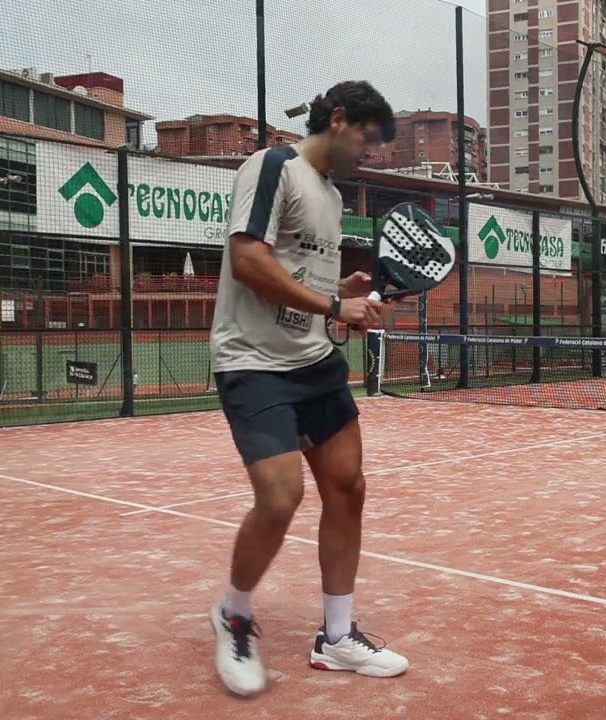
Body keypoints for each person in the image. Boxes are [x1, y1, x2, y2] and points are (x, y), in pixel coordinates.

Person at [207, 80, 408, 697]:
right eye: (370, 141)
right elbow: (248, 259)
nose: (372, 154)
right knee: (279, 497)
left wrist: (337, 295)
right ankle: (235, 614)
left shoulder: (331, 194)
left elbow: (299, 278)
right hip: (252, 362)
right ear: (340, 120)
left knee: (347, 486)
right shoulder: (275, 167)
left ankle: (338, 637)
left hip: (313, 362)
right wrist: (331, 302)